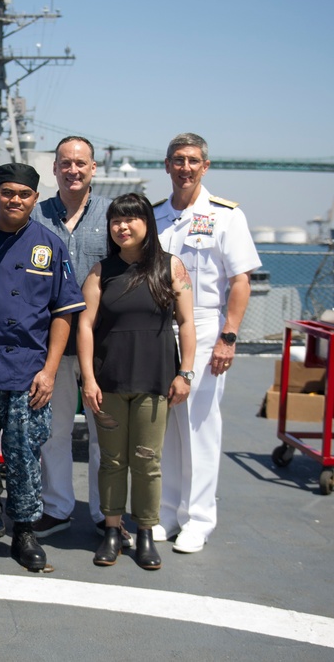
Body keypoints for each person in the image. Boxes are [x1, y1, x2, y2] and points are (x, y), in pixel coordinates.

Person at [0, 162, 85, 572]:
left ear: (34, 199)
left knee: (25, 454)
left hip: (29, 373)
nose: (14, 200)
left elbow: (63, 311)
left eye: (24, 194)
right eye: (7, 192)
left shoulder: (50, 244)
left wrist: (49, 370)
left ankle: (24, 531)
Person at [152, 133, 261, 554]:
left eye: (193, 160)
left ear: (205, 166)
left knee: (199, 426)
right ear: (166, 166)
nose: (185, 167)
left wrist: (228, 337)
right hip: (160, 329)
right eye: (178, 160)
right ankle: (166, 512)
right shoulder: (156, 216)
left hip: (203, 326)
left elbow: (240, 281)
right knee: (164, 427)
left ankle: (198, 519)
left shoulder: (226, 217)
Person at [78, 193, 196, 569]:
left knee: (147, 461)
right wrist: (88, 378)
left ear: (147, 223)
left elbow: (187, 322)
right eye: (116, 220)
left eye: (131, 219)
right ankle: (113, 530)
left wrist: (185, 372)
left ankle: (145, 531)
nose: (122, 227)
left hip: (155, 380)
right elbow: (85, 325)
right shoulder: (100, 272)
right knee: (111, 460)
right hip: (109, 380)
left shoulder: (170, 267)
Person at [30, 136, 115, 542]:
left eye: (81, 163)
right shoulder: (37, 216)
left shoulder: (112, 215)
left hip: (103, 344)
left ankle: (105, 512)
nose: (73, 170)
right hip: (53, 343)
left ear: (93, 168)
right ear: (55, 169)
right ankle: (58, 506)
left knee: (104, 431)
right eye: (65, 163)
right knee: (55, 429)